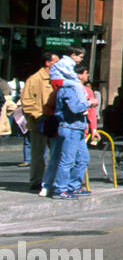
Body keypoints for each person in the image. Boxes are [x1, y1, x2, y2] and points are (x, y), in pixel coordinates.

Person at [50, 63, 97, 200]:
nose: (87, 76)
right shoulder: (69, 89)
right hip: (70, 128)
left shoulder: (75, 88)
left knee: (83, 158)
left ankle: (74, 186)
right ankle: (61, 189)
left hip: (78, 128)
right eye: (85, 73)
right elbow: (74, 108)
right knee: (67, 160)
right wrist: (89, 103)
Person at [20, 52, 57, 193]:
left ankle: (54, 180)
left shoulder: (57, 78)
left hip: (55, 122)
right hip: (39, 123)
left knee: (57, 153)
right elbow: (27, 102)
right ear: (47, 63)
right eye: (55, 61)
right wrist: (39, 115)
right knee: (38, 154)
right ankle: (36, 181)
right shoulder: (34, 79)